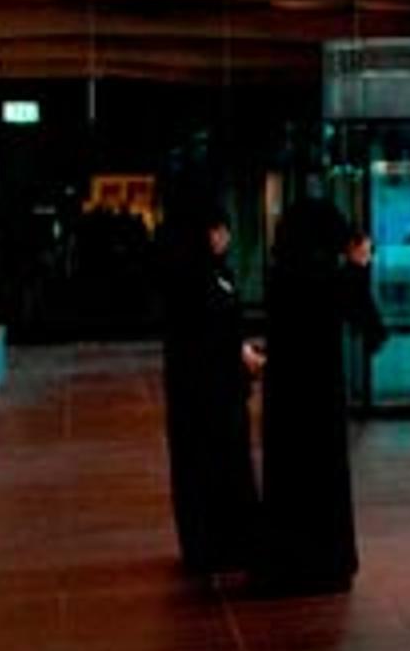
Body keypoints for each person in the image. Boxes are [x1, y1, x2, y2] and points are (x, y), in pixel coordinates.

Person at [254, 192, 384, 595]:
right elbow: (371, 328)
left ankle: (288, 561)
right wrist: (359, 267)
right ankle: (323, 561)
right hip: (320, 395)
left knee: (290, 479)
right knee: (323, 478)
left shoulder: (281, 274)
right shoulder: (329, 279)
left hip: (286, 395)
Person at [157, 201, 260, 580]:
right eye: (219, 230)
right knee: (207, 464)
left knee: (222, 462)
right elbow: (202, 336)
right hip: (205, 392)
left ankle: (227, 542)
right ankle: (210, 545)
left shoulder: (216, 273)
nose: (225, 237)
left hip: (219, 388)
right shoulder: (193, 279)